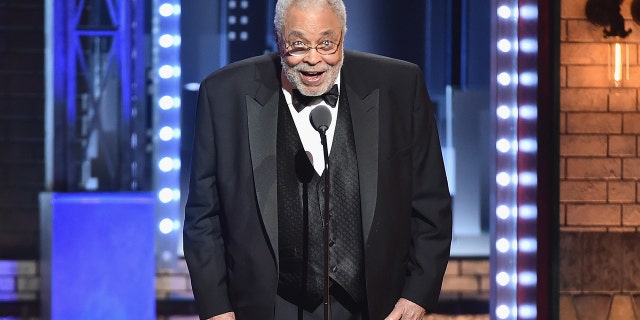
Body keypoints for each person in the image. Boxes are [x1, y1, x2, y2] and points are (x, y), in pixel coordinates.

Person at [183, 0, 452, 319]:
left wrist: (417, 294)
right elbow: (203, 217)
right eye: (298, 45)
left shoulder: (400, 86)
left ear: (344, 36)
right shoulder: (223, 93)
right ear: (277, 38)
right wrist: (217, 308)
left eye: (327, 43)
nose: (313, 60)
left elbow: (431, 204)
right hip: (267, 307)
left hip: (373, 306)